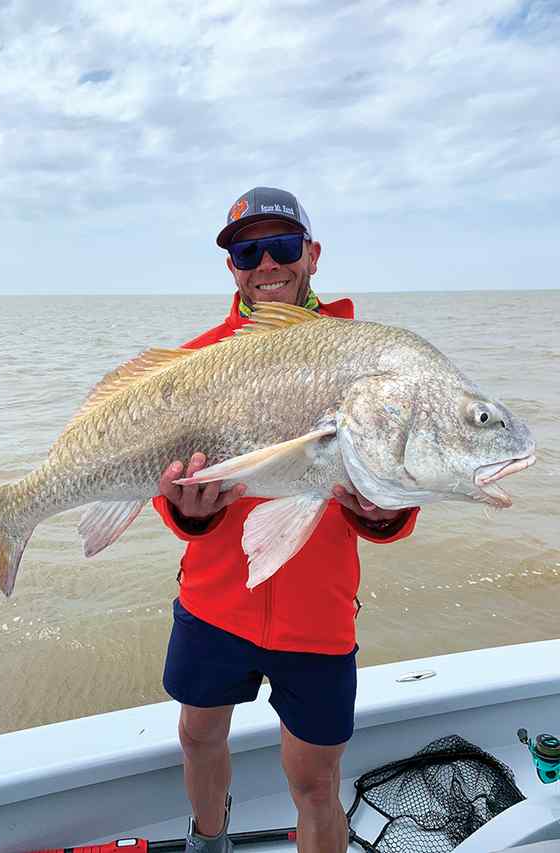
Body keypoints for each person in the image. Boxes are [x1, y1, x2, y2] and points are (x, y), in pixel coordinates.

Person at [151, 187, 420, 853]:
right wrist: (184, 513)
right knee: (197, 732)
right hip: (215, 602)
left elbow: (404, 468)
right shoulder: (195, 363)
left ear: (313, 254)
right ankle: (206, 841)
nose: (267, 262)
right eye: (248, 250)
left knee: (315, 779)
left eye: (283, 245)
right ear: (233, 268)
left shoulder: (366, 357)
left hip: (317, 615)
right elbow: (162, 474)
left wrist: (385, 513)